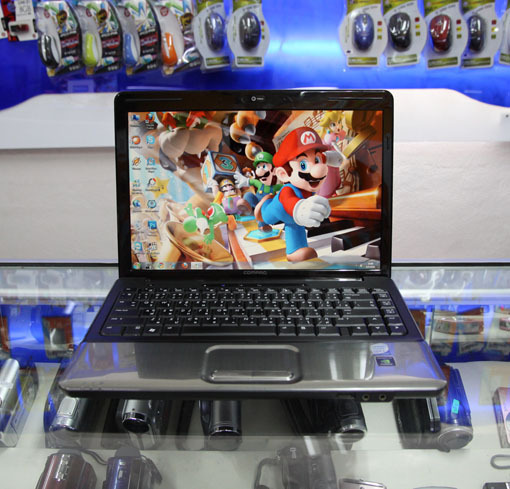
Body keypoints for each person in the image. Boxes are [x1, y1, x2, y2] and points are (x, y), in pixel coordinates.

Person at [255, 127, 331, 262]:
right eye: (303, 165)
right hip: (276, 211)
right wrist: (302, 209)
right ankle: (262, 209)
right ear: (283, 174)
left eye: (317, 160)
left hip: (292, 217)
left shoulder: (307, 188)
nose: (317, 169)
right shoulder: (287, 190)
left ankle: (296, 250)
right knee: (268, 217)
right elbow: (291, 204)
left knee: (294, 223)